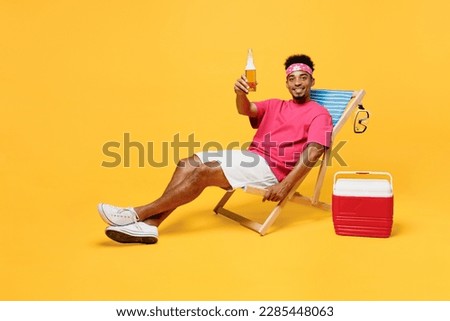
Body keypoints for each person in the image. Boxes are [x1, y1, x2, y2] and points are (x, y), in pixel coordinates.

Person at [98, 54, 332, 244]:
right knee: (188, 162)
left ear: (312, 81)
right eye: (293, 78)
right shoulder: (275, 104)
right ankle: (150, 226)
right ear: (287, 82)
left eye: (303, 77)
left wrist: (285, 185)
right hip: (252, 157)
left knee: (203, 172)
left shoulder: (319, 114)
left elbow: (313, 153)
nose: (298, 83)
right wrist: (240, 93)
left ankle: (137, 213)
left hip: (272, 170)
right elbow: (245, 109)